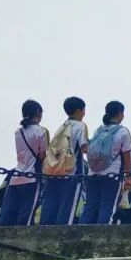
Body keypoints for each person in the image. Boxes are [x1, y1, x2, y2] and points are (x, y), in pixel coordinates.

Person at [81, 101, 131, 225]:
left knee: (90, 207)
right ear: (120, 113)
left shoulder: (98, 130)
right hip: (112, 176)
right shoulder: (123, 131)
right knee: (107, 207)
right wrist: (128, 177)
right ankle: (102, 234)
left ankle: (81, 232)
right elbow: (127, 157)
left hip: (92, 174)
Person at [0, 100, 49, 226]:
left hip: (16, 177)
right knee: (26, 216)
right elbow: (42, 156)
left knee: (9, 214)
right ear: (38, 112)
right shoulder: (41, 131)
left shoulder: (18, 132)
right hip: (33, 178)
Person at [39, 96, 89, 226]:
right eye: (83, 110)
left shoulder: (62, 126)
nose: (84, 113)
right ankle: (62, 234)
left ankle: (44, 231)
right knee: (67, 208)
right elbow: (85, 148)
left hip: (55, 171)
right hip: (72, 173)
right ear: (78, 110)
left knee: (50, 206)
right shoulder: (80, 126)